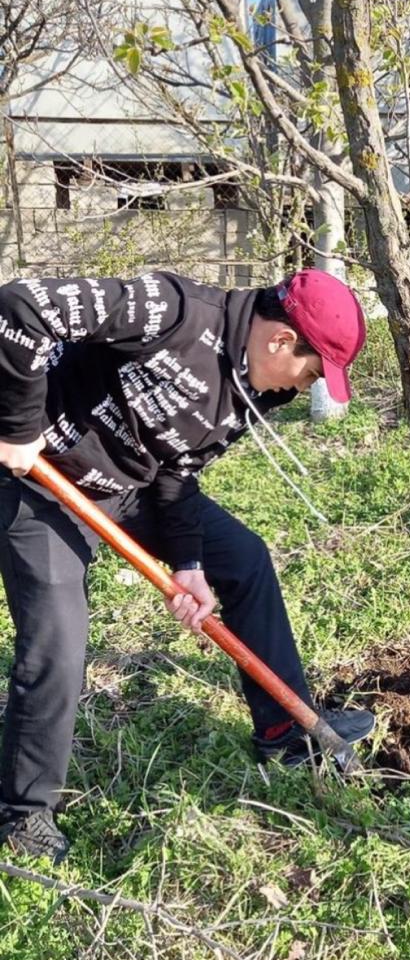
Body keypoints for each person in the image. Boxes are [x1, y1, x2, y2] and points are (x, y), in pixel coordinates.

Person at [0, 268, 376, 864]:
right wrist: (18, 427)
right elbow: (22, 305)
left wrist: (190, 563)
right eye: (312, 371)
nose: (307, 387)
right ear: (281, 340)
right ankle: (26, 814)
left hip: (134, 489)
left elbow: (180, 469)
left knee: (245, 559)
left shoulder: (264, 387)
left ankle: (283, 731)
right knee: (59, 643)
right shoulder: (169, 310)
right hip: (44, 482)